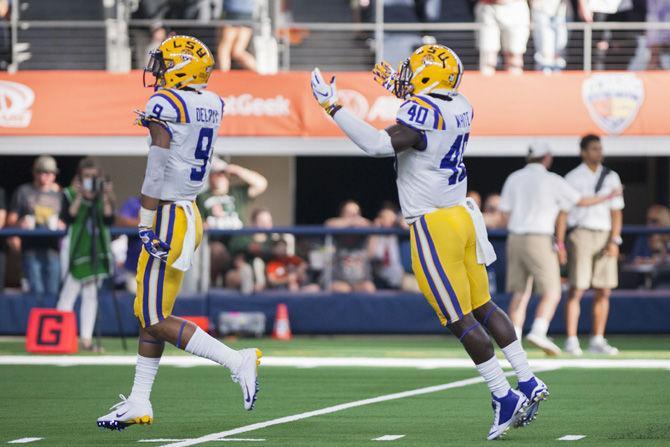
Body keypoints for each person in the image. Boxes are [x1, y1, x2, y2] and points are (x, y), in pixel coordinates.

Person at [312, 44, 548, 440]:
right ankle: (526, 379)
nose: (404, 77)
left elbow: (376, 144)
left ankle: (503, 394)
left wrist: (333, 107)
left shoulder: (419, 115)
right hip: (462, 216)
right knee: (484, 306)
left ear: (426, 80)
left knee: (458, 318)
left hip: (432, 224)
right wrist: (399, 87)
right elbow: (430, 113)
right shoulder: (461, 103)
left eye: (411, 72)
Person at [97, 35, 261, 431]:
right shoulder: (212, 102)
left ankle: (235, 360)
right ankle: (139, 399)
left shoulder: (167, 103)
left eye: (163, 64)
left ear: (181, 67)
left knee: (152, 315)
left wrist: (144, 220)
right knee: (149, 312)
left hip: (169, 214)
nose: (156, 71)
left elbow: (157, 166)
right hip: (188, 212)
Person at [499, 143, 620, 355]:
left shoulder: (513, 177)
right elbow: (580, 201)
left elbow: (504, 214)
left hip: (515, 237)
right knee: (553, 291)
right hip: (539, 237)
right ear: (546, 158)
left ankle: (513, 341)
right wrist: (608, 196)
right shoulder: (552, 180)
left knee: (521, 292)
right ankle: (539, 330)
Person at [563, 134, 625, 355]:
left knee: (603, 289)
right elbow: (567, 209)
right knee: (577, 288)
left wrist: (615, 240)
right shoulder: (573, 177)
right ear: (583, 152)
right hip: (581, 234)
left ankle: (597, 339)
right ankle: (571, 340)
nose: (599, 152)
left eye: (600, 148)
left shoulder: (611, 176)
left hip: (604, 233)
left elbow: (616, 212)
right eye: (594, 149)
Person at [56, 158, 115, 351]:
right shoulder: (70, 193)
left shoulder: (102, 195)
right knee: (69, 291)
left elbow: (109, 218)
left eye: (94, 177)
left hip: (96, 248)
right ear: (80, 177)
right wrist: (81, 196)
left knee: (91, 295)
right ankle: (59, 336)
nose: (90, 180)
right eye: (87, 176)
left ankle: (86, 339)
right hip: (76, 247)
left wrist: (105, 195)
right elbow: (68, 217)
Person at [196, 156, 268, 286]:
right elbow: (197, 222)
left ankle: (252, 280)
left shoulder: (237, 193)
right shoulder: (202, 197)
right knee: (217, 252)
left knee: (251, 255)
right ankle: (213, 283)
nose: (219, 177)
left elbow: (261, 184)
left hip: (240, 242)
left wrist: (236, 170)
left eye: (222, 174)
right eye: (215, 174)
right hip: (218, 243)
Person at [8, 155, 64, 297]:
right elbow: (10, 221)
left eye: (50, 173)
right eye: (43, 172)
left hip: (53, 249)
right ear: (35, 173)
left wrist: (61, 225)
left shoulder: (60, 195)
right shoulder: (24, 192)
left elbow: (69, 222)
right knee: (35, 292)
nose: (46, 176)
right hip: (30, 249)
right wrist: (20, 224)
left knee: (53, 292)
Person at [325, 200, 376, 293]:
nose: (353, 217)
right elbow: (328, 223)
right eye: (349, 213)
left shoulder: (365, 234)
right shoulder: (336, 233)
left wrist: (357, 222)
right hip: (339, 281)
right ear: (342, 215)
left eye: (355, 214)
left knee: (369, 287)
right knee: (343, 289)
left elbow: (371, 225)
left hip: (361, 281)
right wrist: (350, 222)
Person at [475, 0, 530, 74]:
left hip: (515, 7)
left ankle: (515, 84)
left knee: (515, 58)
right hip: (488, 7)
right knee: (488, 59)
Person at [368, 204, 405, 290]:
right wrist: (375, 231)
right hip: (378, 277)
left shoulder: (398, 233)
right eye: (385, 217)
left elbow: (404, 223)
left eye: (391, 217)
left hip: (396, 278)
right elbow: (370, 255)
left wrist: (398, 221)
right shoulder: (375, 235)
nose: (389, 220)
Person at [217, 0, 257, 71]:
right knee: (237, 51)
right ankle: (259, 72)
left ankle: (223, 77)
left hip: (232, 11)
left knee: (225, 47)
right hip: (248, 13)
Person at [116, 196, 143, 293]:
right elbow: (120, 221)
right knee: (134, 298)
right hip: (133, 267)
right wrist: (142, 223)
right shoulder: (134, 203)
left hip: (158, 267)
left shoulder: (166, 204)